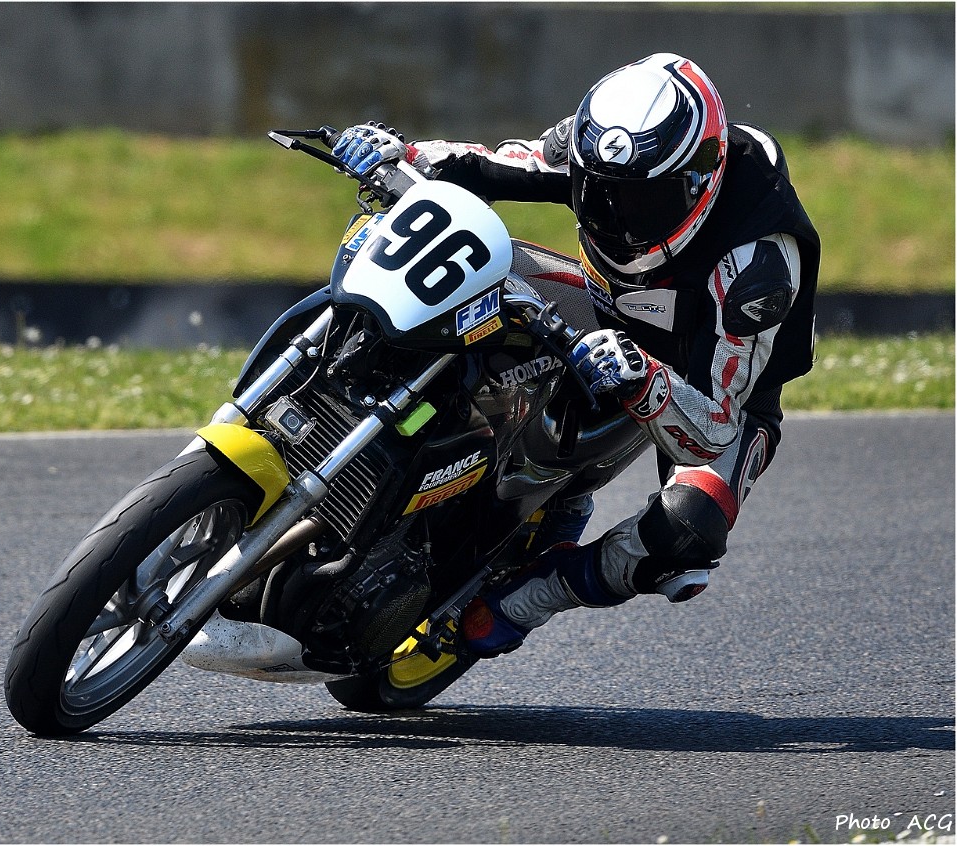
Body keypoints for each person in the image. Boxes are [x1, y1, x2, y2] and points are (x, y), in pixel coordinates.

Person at [330, 52, 820, 657]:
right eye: (598, 191)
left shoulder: (757, 267)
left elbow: (714, 428)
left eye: (642, 201)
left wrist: (647, 381)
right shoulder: (597, 150)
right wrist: (406, 156)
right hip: (597, 306)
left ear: (700, 180)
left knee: (690, 532)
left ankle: (537, 593)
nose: (614, 214)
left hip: (703, 382)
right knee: (445, 282)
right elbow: (504, 163)